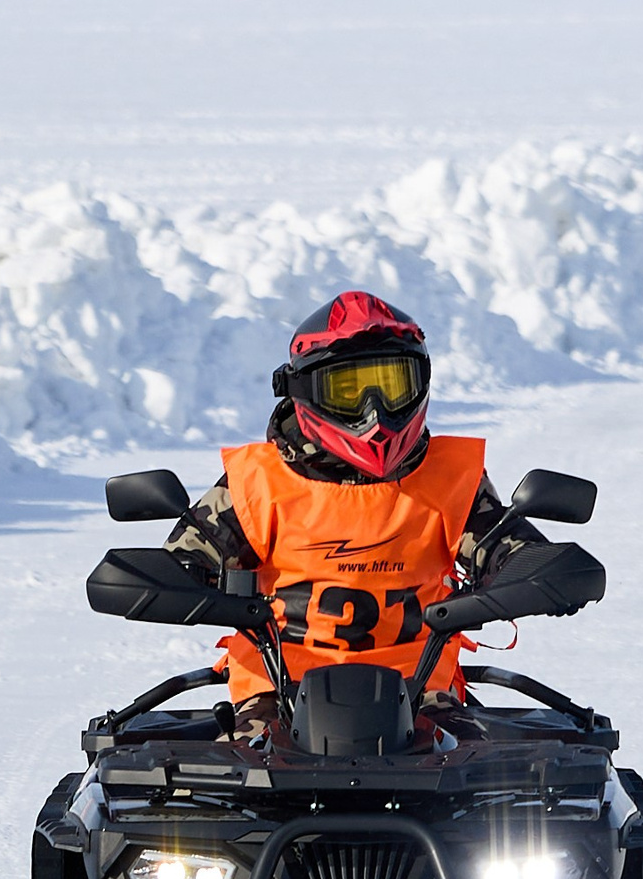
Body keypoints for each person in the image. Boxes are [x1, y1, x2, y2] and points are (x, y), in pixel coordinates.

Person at [163, 290, 543, 738]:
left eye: (392, 386)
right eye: (348, 390)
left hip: (423, 693)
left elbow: (510, 548)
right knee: (233, 790)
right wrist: (179, 580)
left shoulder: (452, 481)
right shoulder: (256, 484)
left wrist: (532, 573)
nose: (374, 412)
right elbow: (180, 563)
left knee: (490, 786)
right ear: (303, 391)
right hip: (277, 694)